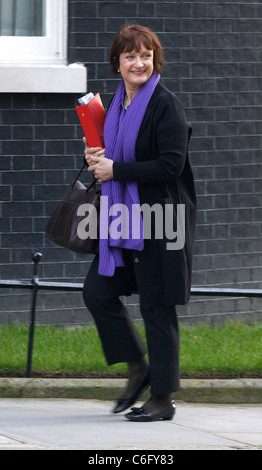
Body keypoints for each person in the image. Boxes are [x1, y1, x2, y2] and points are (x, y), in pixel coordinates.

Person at [82, 24, 196, 422]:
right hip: (121, 220)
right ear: (117, 63)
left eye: (146, 55)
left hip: (160, 219)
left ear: (154, 60)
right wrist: (96, 158)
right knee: (97, 292)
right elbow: (111, 162)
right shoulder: (115, 106)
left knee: (157, 306)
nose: (139, 62)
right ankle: (137, 368)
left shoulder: (165, 104)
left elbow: (171, 165)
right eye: (130, 56)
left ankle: (162, 399)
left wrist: (117, 169)